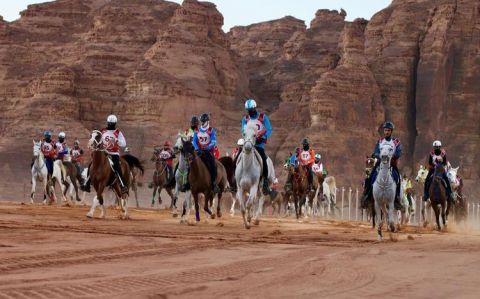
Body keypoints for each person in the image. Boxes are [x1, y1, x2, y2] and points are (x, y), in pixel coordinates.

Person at [361, 121, 403, 210]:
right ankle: (366, 196)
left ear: (391, 131)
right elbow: (376, 151)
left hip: (391, 164)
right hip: (380, 163)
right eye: (385, 130)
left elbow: (399, 152)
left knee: (398, 178)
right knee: (370, 176)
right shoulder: (380, 141)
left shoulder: (396, 142)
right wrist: (378, 156)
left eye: (388, 130)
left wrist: (391, 157)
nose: (386, 132)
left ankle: (397, 199)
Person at [82, 115, 127, 194]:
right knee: (92, 164)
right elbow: (97, 139)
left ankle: (122, 185)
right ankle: (87, 183)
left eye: (112, 124)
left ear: (115, 124)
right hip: (103, 151)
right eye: (109, 123)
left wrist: (116, 140)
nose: (110, 125)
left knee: (117, 166)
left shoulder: (118, 133)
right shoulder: (102, 131)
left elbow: (124, 144)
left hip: (113, 153)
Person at [241, 98, 272, 195]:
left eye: (251, 109)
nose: (250, 112)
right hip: (248, 143)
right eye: (248, 110)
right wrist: (247, 138)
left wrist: (262, 136)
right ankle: (234, 181)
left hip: (259, 144)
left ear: (255, 108)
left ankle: (265, 182)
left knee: (263, 158)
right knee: (238, 156)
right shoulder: (245, 119)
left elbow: (269, 129)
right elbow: (243, 131)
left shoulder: (263, 117)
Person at [193, 113, 220, 193]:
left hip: (208, 152)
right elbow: (194, 141)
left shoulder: (211, 130)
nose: (202, 123)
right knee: (190, 163)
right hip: (199, 152)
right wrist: (197, 148)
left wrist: (206, 148)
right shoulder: (197, 130)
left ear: (207, 121)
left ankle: (214, 183)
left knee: (213, 165)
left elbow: (213, 142)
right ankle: (188, 183)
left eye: (204, 121)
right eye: (201, 121)